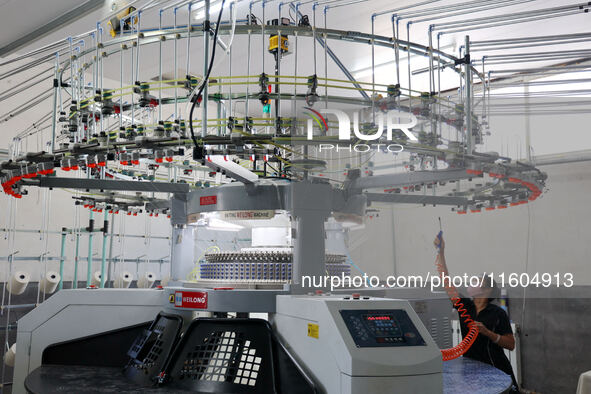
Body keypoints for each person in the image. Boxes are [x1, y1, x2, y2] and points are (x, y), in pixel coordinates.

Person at [434, 234, 519, 391]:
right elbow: (446, 281)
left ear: (487, 289)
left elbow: (511, 344)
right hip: (471, 369)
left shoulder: (497, 313)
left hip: (495, 367)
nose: (470, 283)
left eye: (475, 281)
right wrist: (441, 252)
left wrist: (488, 333)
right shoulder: (465, 306)